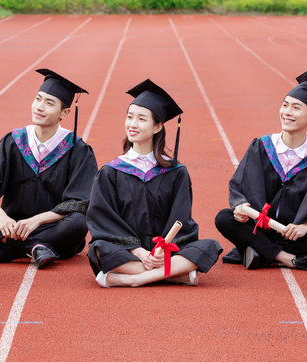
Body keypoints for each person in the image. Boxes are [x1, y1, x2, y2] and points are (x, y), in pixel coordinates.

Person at [87, 79, 222, 287]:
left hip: (163, 251)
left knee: (209, 246)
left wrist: (162, 250)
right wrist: (139, 252)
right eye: (130, 117)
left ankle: (134, 279)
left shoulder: (176, 173)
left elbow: (181, 218)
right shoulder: (111, 172)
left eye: (141, 119)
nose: (132, 124)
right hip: (128, 251)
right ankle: (177, 274)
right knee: (100, 249)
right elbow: (104, 220)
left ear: (158, 126)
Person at [0, 69, 98, 268]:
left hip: (53, 228)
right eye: (38, 99)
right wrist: (1, 217)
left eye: (49, 103)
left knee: (79, 222)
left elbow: (80, 202)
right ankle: (34, 248)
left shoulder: (78, 150)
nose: (40, 107)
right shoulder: (13, 141)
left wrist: (36, 221)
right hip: (10, 226)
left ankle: (4, 251)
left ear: (65, 113)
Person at [215, 72, 307, 270]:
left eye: (296, 108)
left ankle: (260, 252)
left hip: (295, 233)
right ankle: (287, 258)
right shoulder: (262, 146)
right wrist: (240, 207)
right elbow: (239, 187)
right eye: (285, 105)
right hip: (262, 228)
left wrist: (305, 225)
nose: (287, 112)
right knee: (224, 218)